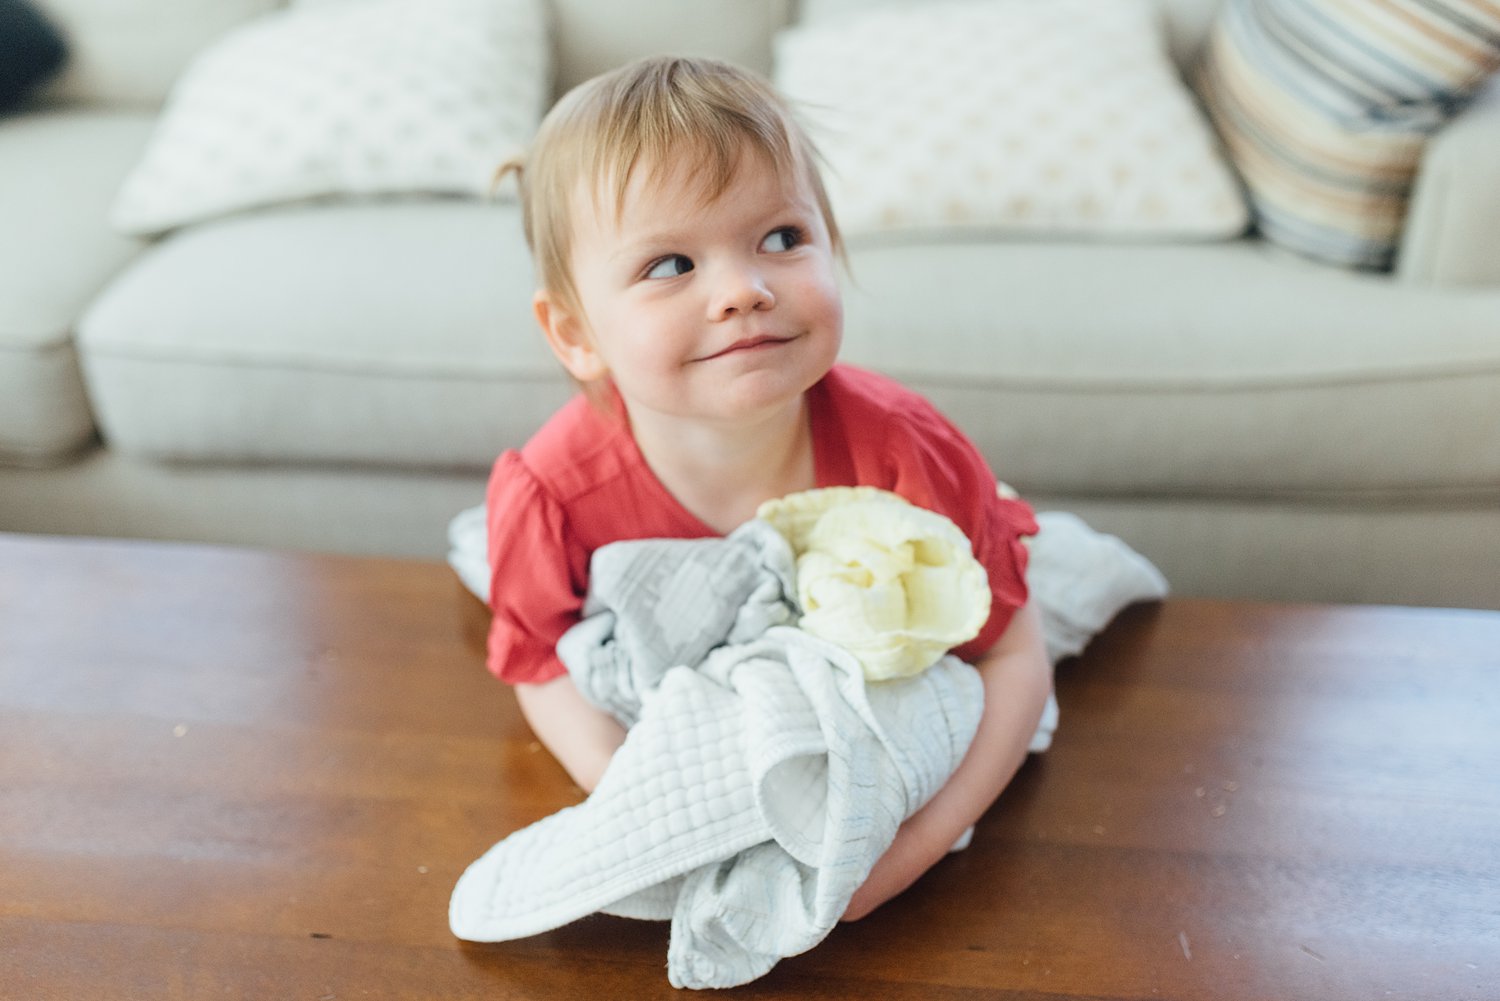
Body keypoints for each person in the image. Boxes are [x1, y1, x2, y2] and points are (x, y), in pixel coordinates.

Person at [484, 55, 1052, 921]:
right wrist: (631, 793)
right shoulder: (550, 495)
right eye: (671, 263)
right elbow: (534, 657)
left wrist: (908, 852)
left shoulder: (907, 453)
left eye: (782, 239)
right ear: (574, 333)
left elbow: (1012, 652)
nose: (743, 291)